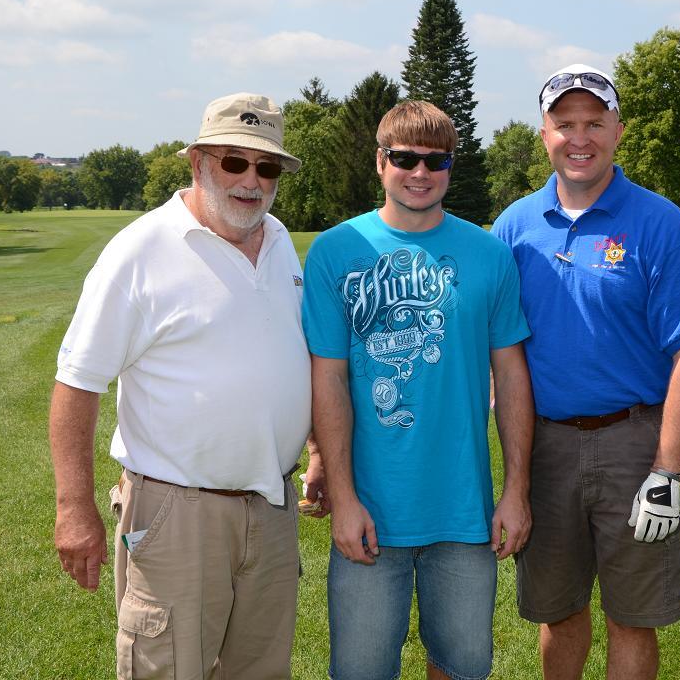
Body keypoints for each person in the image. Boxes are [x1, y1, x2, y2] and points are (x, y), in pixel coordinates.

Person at [49, 92, 324, 680]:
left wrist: (318, 450)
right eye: (235, 162)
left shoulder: (279, 243)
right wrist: (74, 507)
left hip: (272, 511)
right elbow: (77, 383)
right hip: (176, 511)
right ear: (199, 163)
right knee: (167, 668)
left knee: (261, 671)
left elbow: (293, 360)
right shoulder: (140, 251)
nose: (252, 180)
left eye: (267, 166)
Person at [491, 64, 680, 680]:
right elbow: (495, 353)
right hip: (544, 444)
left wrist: (667, 471)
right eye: (564, 124)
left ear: (618, 129)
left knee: (632, 617)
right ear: (544, 134)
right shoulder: (513, 228)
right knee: (558, 612)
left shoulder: (659, 221)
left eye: (594, 122)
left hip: (634, 443)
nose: (579, 137)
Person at [303, 100, 534, 680]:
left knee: (462, 666)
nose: (421, 172)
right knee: (359, 670)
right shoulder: (336, 251)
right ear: (380, 162)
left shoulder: (489, 255)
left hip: (463, 510)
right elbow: (326, 377)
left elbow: (510, 376)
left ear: (452, 168)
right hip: (369, 509)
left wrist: (515, 491)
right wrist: (343, 495)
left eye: (437, 161)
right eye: (405, 158)